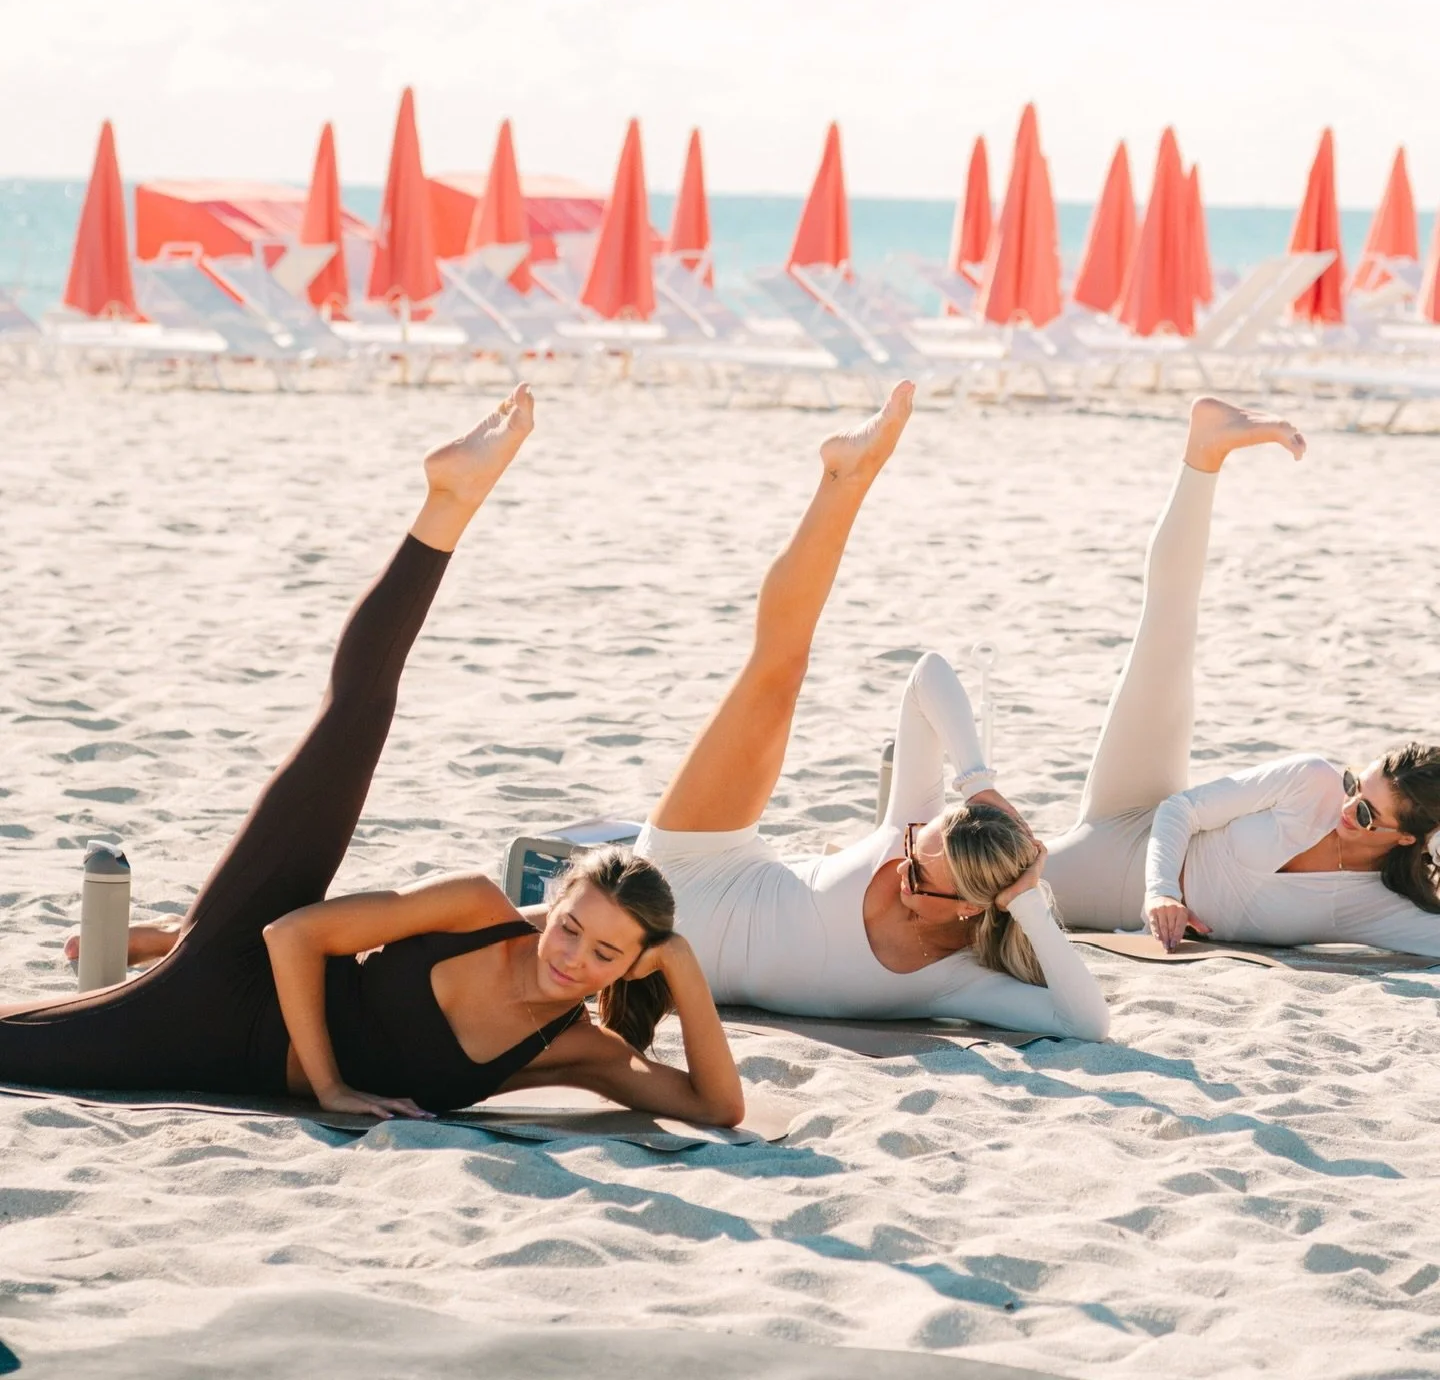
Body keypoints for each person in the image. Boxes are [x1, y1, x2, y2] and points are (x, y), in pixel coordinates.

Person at [2, 390, 743, 1128]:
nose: (575, 958)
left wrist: (678, 960)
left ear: (634, 966)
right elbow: (290, 935)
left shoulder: (573, 1048)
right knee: (360, 712)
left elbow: (717, 1107)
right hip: (230, 980)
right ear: (555, 904)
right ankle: (449, 503)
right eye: (572, 926)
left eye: (608, 954)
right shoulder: (476, 910)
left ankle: (166, 941)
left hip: (206, 1042)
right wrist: (330, 1089)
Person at [635, 383, 1111, 1042]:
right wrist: (977, 781)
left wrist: (1028, 899)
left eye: (917, 873)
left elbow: (1087, 1023)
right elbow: (927, 677)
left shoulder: (956, 979)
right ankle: (844, 478)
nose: (899, 863)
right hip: (699, 862)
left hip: (643, 946)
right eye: (917, 842)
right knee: (778, 669)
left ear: (972, 911)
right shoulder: (908, 835)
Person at [907, 395, 1440, 959]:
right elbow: (1179, 810)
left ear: (1405, 837)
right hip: (1131, 844)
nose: (1343, 804)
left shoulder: (1374, 905)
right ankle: (1205, 450)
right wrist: (1161, 893)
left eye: (1362, 812)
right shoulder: (1312, 781)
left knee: (979, 891)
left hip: (1101, 880)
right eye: (1357, 782)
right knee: (1169, 624)